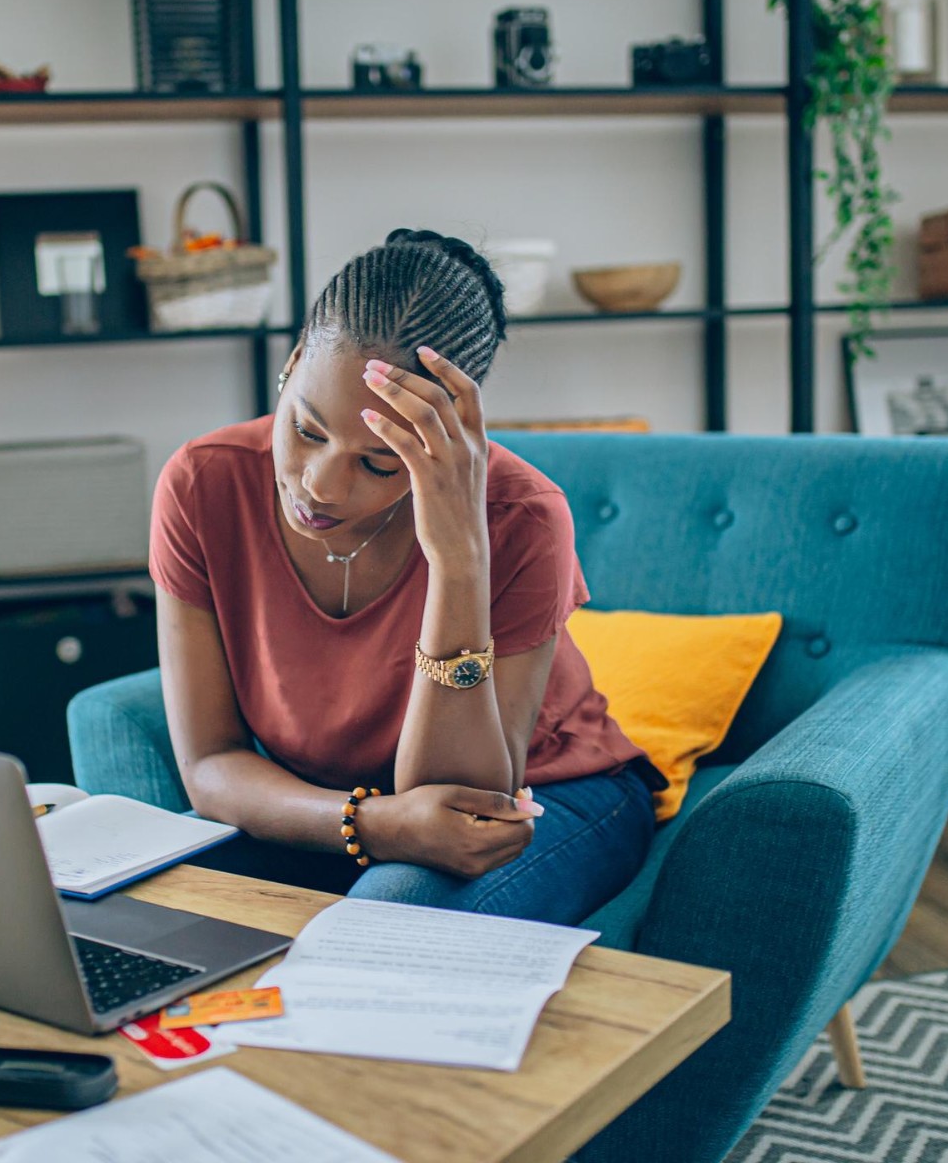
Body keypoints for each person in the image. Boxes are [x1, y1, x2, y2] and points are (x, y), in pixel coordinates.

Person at [145, 228, 666, 926]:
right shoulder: (202, 483)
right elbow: (210, 762)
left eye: (380, 463)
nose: (321, 486)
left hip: (544, 796)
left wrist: (458, 561)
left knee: (402, 911)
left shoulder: (521, 517)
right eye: (306, 430)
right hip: (353, 804)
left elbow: (460, 798)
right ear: (293, 364)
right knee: (154, 897)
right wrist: (375, 824)